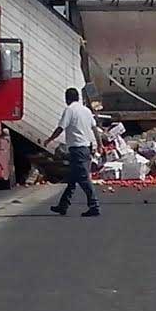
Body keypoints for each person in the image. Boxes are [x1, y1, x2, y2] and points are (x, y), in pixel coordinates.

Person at [44, 88, 103, 217]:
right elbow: (95, 129)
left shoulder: (69, 110)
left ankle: (94, 205)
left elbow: (61, 128)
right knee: (72, 179)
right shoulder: (86, 111)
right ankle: (63, 206)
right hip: (86, 149)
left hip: (77, 150)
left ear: (67, 98)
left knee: (83, 179)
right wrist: (100, 145)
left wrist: (49, 140)